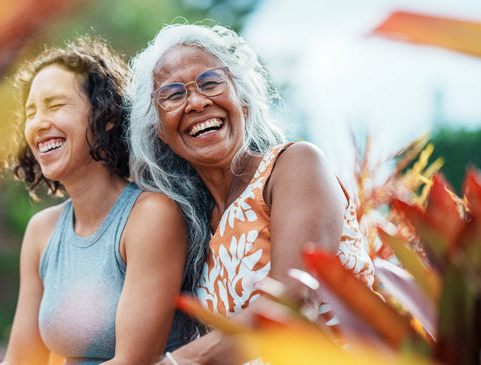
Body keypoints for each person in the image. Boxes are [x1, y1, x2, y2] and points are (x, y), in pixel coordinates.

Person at [125, 24, 375, 364]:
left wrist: (173, 364)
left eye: (210, 82)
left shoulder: (295, 166)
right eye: (173, 94)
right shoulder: (196, 228)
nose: (197, 102)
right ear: (159, 130)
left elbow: (294, 301)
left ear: (242, 99)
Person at [0, 36, 197, 365]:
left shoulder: (150, 215)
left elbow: (135, 361)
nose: (38, 123)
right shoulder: (41, 232)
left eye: (55, 105)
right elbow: (21, 359)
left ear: (106, 115)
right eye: (31, 113)